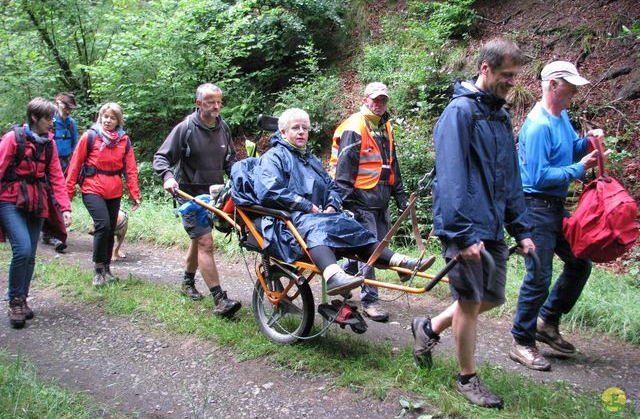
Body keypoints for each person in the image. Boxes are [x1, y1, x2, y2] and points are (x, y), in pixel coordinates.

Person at [411, 38, 535, 409]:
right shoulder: (460, 112)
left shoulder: (499, 115)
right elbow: (450, 177)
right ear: (485, 68)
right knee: (468, 301)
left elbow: (509, 177)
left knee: (492, 297)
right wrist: (462, 234)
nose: (512, 82)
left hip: (493, 224)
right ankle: (466, 378)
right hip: (465, 227)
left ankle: (427, 328)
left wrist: (522, 229)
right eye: (506, 75)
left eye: (515, 75)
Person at [231, 108, 426, 297]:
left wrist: (332, 206)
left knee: (350, 224)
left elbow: (332, 187)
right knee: (317, 227)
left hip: (316, 216)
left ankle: (399, 263)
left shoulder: (311, 158)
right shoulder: (273, 157)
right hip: (285, 220)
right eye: (295, 128)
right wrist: (308, 206)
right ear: (283, 132)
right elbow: (269, 191)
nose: (301, 132)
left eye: (305, 128)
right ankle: (333, 277)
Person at [509, 61, 607, 371]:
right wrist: (580, 169)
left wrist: (587, 142)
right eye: (571, 85)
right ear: (553, 85)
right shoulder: (538, 125)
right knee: (539, 277)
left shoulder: (561, 116)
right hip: (535, 207)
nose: (576, 91)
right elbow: (538, 176)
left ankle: (547, 321)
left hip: (554, 207)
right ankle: (522, 342)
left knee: (580, 263)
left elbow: (569, 150)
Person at [153, 83, 241, 317]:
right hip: (189, 197)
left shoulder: (224, 129)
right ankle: (220, 300)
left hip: (215, 196)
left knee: (198, 240)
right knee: (205, 242)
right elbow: (161, 158)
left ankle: (187, 282)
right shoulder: (185, 128)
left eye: (219, 102)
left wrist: (241, 175)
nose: (216, 106)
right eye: (211, 102)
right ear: (199, 103)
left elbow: (230, 161)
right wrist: (168, 178)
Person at [330, 82, 407, 322]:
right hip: (360, 201)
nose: (379, 103)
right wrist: (346, 203)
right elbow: (344, 168)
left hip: (380, 199)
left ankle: (342, 279)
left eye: (383, 100)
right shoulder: (355, 126)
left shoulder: (385, 127)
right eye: (375, 99)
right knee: (371, 254)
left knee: (374, 251)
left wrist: (400, 196)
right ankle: (370, 302)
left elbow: (392, 163)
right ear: (365, 99)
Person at [0, 98, 72, 328]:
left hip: (37, 201)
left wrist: (65, 207)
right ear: (34, 118)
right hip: (11, 201)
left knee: (30, 253)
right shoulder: (13, 139)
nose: (51, 123)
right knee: (21, 249)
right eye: (48, 119)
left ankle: (23, 297)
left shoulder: (48, 143)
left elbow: (56, 177)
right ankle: (14, 302)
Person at [66, 102, 141, 287]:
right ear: (100, 117)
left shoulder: (124, 140)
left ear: (118, 120)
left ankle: (107, 268)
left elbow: (130, 169)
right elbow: (75, 165)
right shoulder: (90, 137)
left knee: (110, 229)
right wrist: (67, 194)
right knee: (102, 225)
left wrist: (134, 193)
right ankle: (98, 270)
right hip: (92, 187)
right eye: (105, 116)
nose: (107, 120)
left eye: (112, 117)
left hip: (114, 189)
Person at [42, 92, 78, 252]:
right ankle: (49, 231)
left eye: (71, 108)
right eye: (67, 107)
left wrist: (74, 167)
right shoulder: (50, 122)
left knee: (58, 197)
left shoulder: (71, 124)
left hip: (65, 164)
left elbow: (76, 147)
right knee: (48, 196)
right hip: (47, 165)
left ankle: (54, 233)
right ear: (58, 103)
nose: (69, 111)